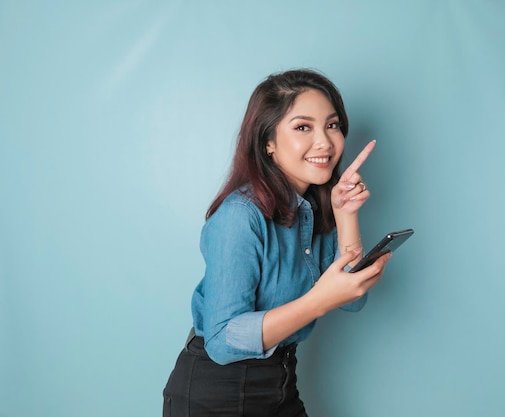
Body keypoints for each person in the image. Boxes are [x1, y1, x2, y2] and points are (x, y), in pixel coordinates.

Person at [162, 68, 391, 417]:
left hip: (281, 382)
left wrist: (345, 215)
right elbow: (222, 341)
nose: (325, 142)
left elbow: (351, 302)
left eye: (332, 125)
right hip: (217, 394)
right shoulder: (241, 216)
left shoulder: (314, 208)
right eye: (303, 127)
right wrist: (318, 301)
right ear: (268, 142)